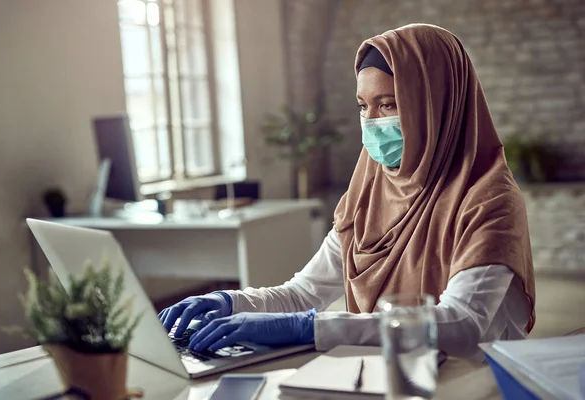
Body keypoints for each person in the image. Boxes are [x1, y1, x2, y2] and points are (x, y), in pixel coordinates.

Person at [158, 24, 535, 360]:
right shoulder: (369, 193)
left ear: (437, 106)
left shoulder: (488, 199)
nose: (372, 123)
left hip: (473, 379)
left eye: (388, 104)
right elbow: (304, 293)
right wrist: (231, 301)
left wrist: (311, 328)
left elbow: (462, 325)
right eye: (363, 106)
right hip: (387, 372)